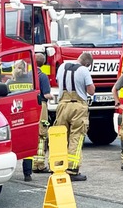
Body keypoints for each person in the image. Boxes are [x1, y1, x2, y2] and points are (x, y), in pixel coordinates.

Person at [55, 52, 95, 181]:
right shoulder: (83, 70)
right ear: (87, 63)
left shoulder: (62, 66)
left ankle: (57, 166)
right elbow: (90, 90)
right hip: (78, 106)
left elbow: (58, 82)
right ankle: (72, 169)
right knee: (76, 137)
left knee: (60, 137)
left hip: (62, 105)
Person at [30, 52, 53, 175]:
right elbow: (46, 94)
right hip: (41, 106)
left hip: (30, 107)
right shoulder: (43, 76)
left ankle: (31, 162)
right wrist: (53, 97)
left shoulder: (29, 75)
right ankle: (39, 164)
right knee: (42, 134)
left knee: (32, 133)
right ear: (43, 63)